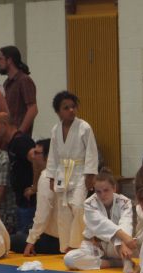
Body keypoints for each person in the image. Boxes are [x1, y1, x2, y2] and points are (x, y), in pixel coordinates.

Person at [46, 91, 98, 252]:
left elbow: (91, 152)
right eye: (65, 107)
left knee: (78, 206)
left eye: (73, 107)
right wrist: (51, 176)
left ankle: (82, 242)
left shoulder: (84, 127)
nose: (70, 110)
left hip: (81, 171)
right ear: (58, 111)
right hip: (62, 172)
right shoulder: (55, 130)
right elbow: (53, 155)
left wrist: (90, 175)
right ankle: (67, 245)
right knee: (63, 210)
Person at [64, 169, 136, 273]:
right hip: (95, 246)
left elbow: (126, 222)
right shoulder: (89, 204)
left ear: (114, 188)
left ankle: (125, 258)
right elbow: (102, 224)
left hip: (116, 246)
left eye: (106, 190)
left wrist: (124, 243)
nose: (102, 195)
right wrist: (125, 238)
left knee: (125, 240)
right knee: (69, 259)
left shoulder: (124, 202)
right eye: (98, 191)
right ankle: (116, 263)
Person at [12, 139, 61, 255]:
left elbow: (43, 213)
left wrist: (31, 241)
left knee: (9, 240)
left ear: (48, 156)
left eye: (37, 153)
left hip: (54, 240)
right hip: (66, 238)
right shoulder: (61, 173)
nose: (33, 157)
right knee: (23, 231)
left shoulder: (46, 177)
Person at [0, 112, 36, 233]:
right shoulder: (11, 145)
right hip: (21, 202)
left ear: (4, 124)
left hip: (29, 203)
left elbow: (37, 160)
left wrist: (35, 187)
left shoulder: (21, 142)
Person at [0, 46, 38, 136]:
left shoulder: (24, 80)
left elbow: (33, 109)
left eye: (0, 59)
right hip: (8, 137)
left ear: (9, 60)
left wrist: (19, 133)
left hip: (18, 139)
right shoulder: (6, 83)